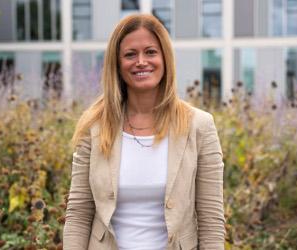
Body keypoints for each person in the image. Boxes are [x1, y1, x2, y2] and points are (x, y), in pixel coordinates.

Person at [63, 14, 225, 250]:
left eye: (150, 52)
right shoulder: (94, 128)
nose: (141, 61)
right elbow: (78, 213)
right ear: (117, 64)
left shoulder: (199, 126)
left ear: (165, 59)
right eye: (130, 54)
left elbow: (211, 219)